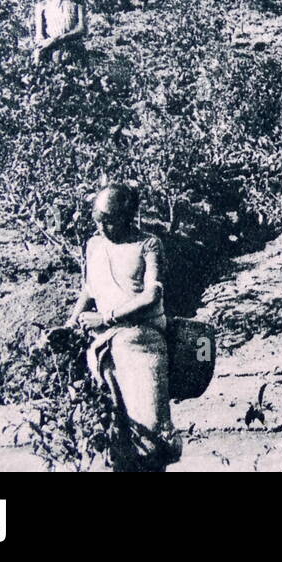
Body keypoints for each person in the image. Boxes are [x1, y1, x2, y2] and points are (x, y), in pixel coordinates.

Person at [66, 184, 182, 472]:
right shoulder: (94, 245)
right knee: (114, 435)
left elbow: (151, 295)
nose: (102, 226)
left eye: (110, 219)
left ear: (128, 217)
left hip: (142, 342)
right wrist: (69, 325)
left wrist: (107, 317)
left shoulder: (148, 244)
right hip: (103, 346)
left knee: (151, 433)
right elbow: (89, 289)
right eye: (98, 219)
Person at [32, 0, 88, 65]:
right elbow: (39, 36)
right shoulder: (42, 5)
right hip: (52, 52)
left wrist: (56, 39)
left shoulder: (77, 2)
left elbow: (82, 29)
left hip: (74, 50)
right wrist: (38, 53)